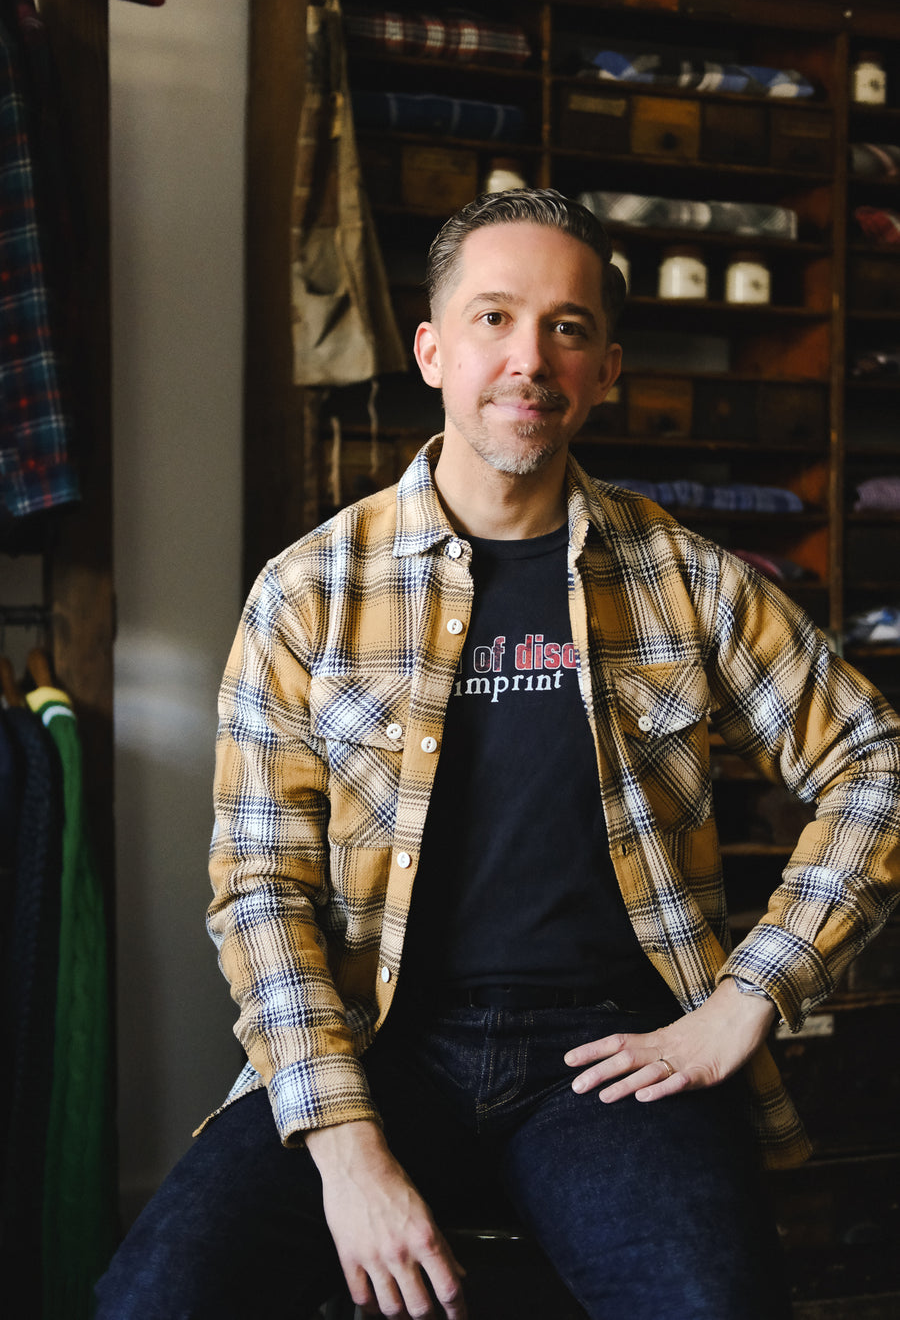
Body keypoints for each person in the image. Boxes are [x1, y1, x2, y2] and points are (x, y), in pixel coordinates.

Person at [96, 189, 900, 1320]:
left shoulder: (688, 578)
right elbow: (259, 887)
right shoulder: (308, 591)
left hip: (610, 1059)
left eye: (567, 328)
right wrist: (346, 1149)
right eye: (494, 319)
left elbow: (876, 764)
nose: (531, 357)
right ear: (431, 348)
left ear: (607, 366)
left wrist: (747, 1000)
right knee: (151, 1301)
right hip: (375, 1042)